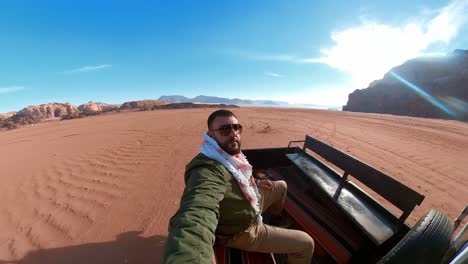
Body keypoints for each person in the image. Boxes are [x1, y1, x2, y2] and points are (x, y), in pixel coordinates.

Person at [163, 109, 314, 263]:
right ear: (210, 135)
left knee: (281, 186)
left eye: (236, 127)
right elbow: (198, 210)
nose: (233, 133)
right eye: (224, 129)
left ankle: (276, 221)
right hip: (240, 230)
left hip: (248, 206)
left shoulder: (228, 156)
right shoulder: (208, 169)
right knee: (306, 244)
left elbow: (239, 177)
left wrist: (259, 182)